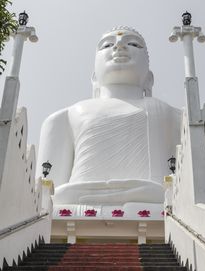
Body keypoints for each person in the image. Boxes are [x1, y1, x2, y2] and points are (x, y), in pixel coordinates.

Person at [37, 26, 181, 205]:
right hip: (76, 205)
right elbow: (45, 194)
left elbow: (183, 185)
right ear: (94, 78)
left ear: (149, 78)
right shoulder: (65, 117)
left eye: (133, 44)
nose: (119, 46)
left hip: (155, 203)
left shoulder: (172, 115)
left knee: (165, 194)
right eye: (106, 45)